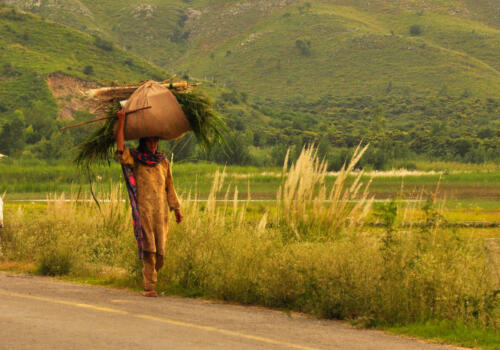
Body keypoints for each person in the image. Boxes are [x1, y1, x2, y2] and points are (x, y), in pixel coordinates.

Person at [115, 109, 183, 297]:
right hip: (144, 211)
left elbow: (170, 187)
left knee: (160, 253)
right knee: (149, 250)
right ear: (143, 142)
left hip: (161, 213)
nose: (153, 145)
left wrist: (176, 209)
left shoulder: (163, 162)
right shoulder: (136, 159)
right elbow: (120, 150)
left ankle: (152, 275)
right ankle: (149, 287)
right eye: (150, 141)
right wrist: (121, 121)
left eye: (155, 141)